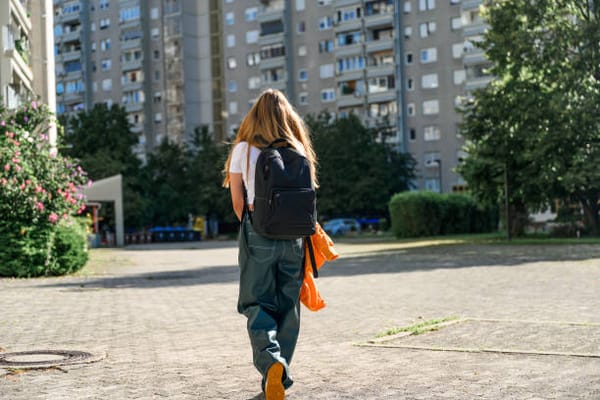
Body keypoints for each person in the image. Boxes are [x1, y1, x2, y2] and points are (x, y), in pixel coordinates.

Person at [222, 89, 318, 399]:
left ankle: (272, 364)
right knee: (288, 305)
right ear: (287, 116)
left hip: (258, 231)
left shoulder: (243, 150)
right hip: (295, 237)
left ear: (255, 116)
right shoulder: (300, 150)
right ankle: (278, 375)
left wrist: (254, 225)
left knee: (256, 303)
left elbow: (238, 202)